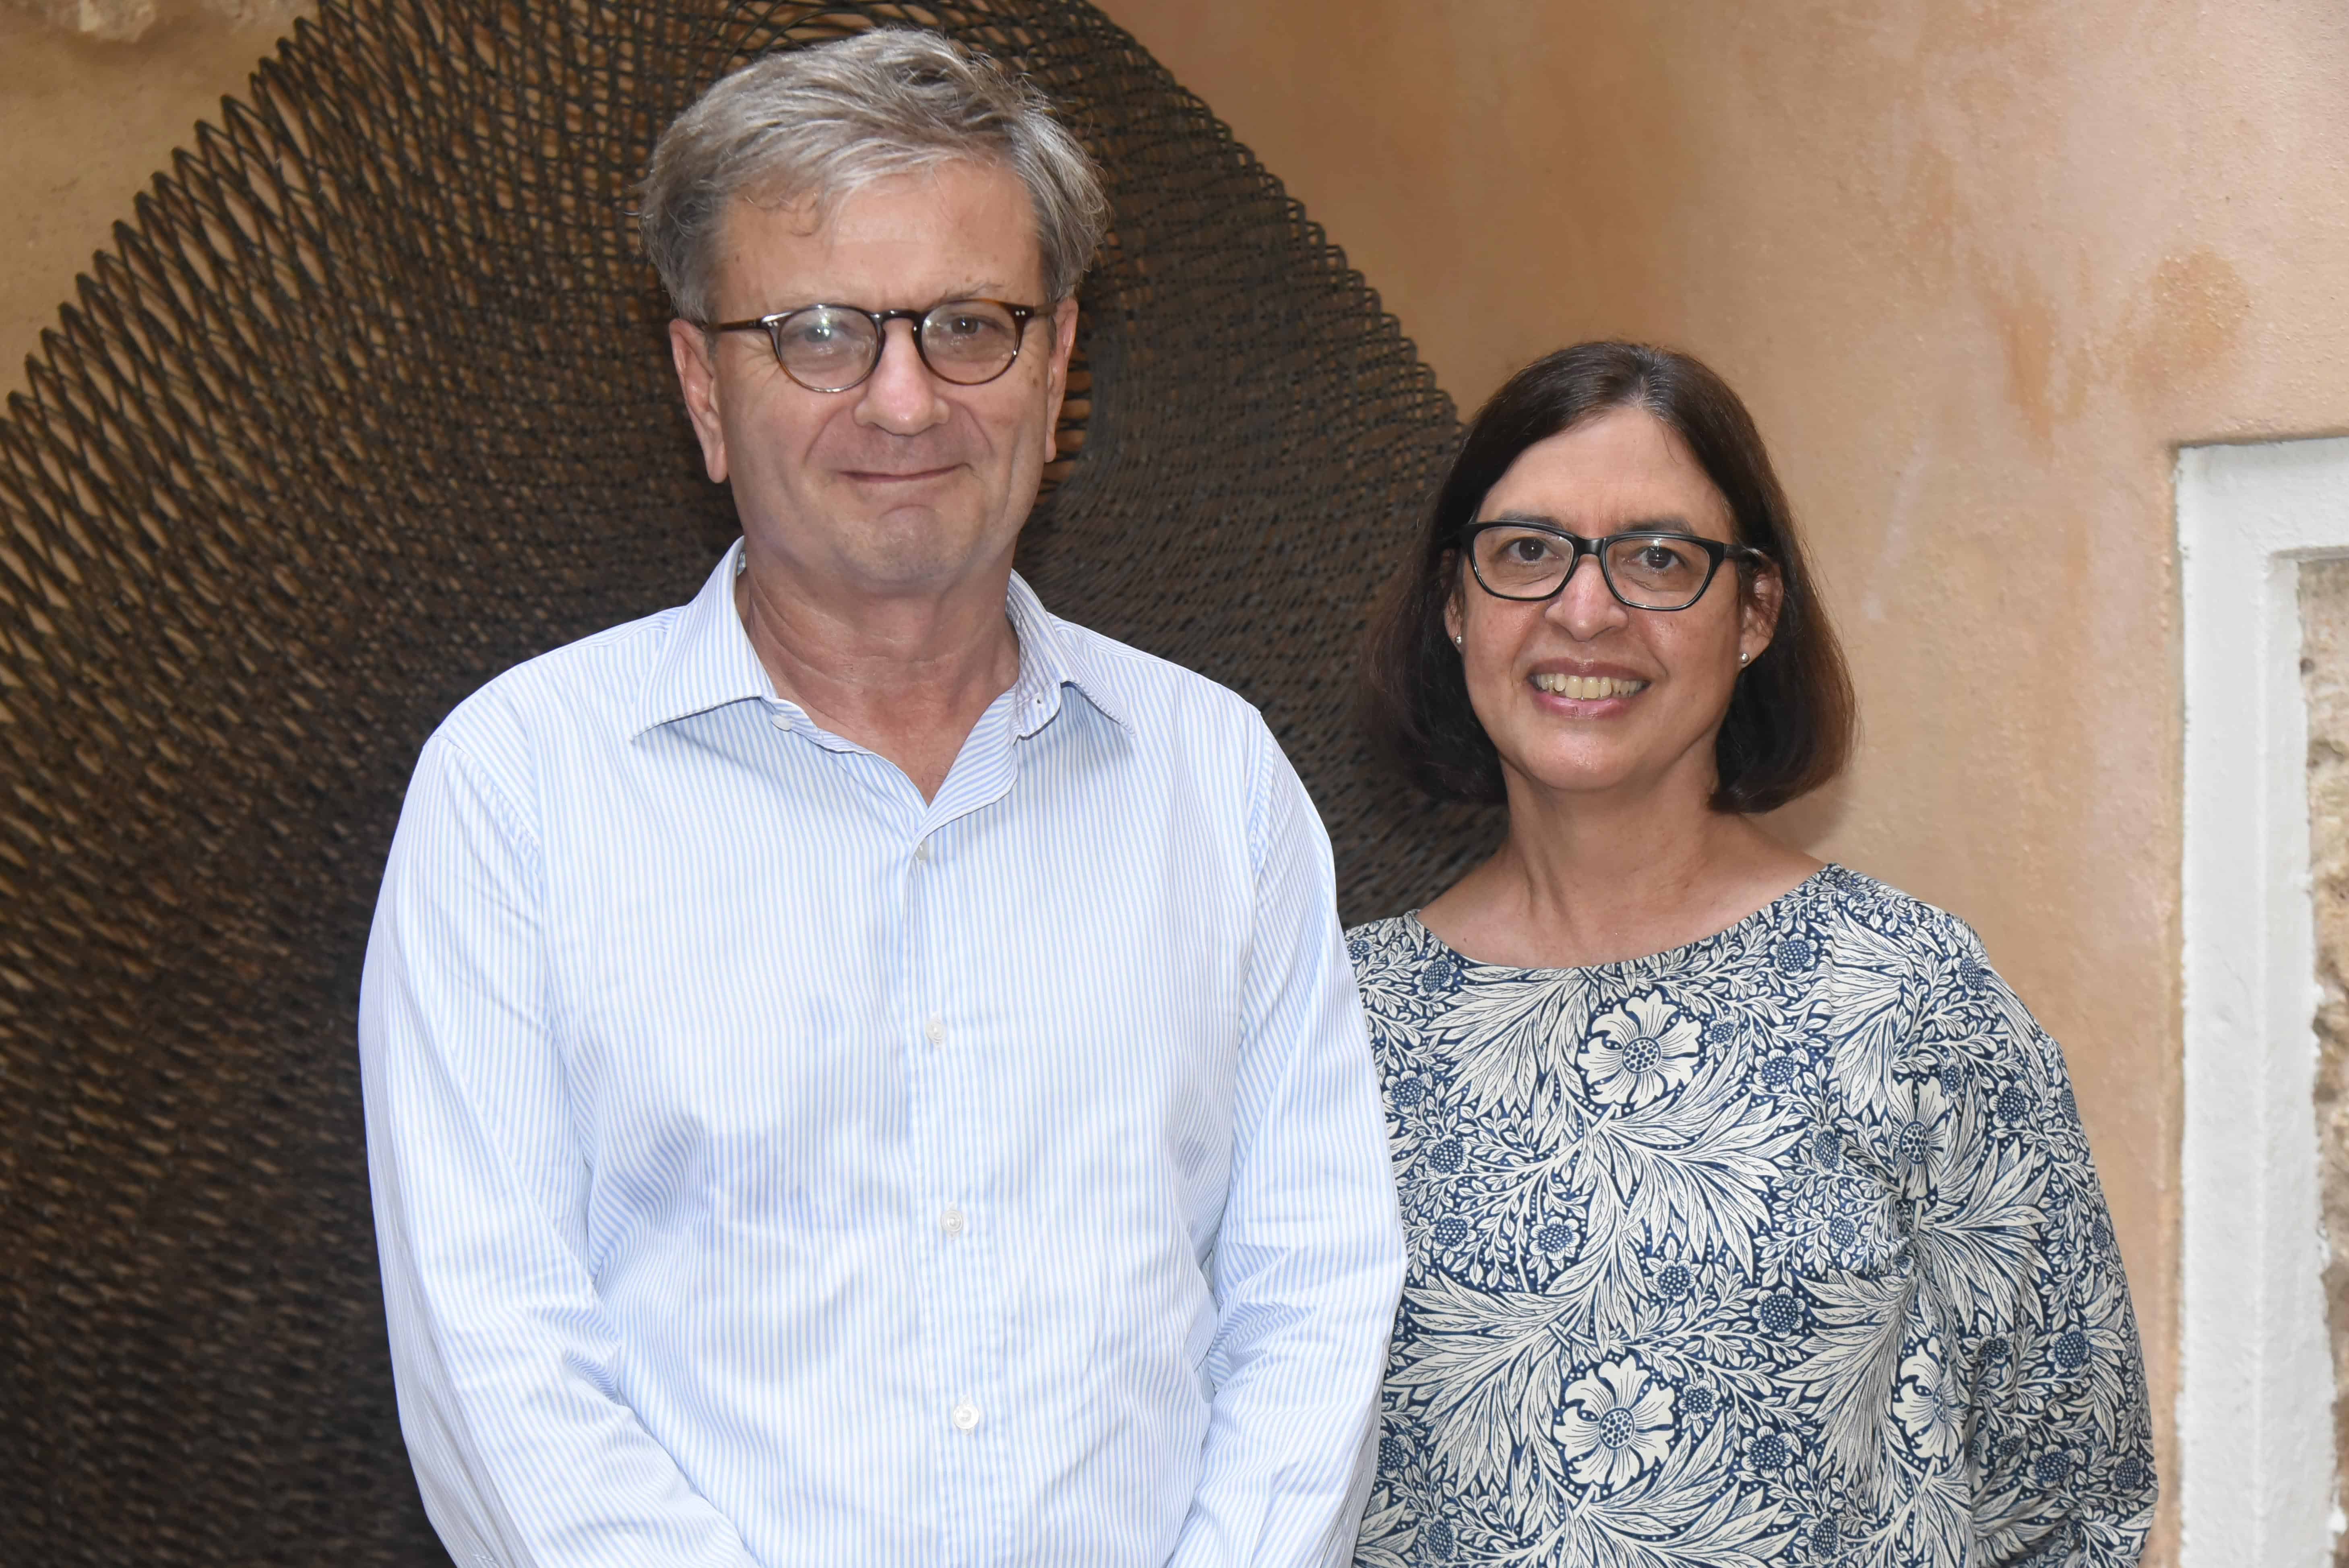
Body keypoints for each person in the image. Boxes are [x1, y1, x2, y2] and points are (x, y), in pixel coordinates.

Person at [357, 29, 1403, 1568]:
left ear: (1056, 369)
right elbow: (498, 1360)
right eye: (821, 334)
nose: (904, 404)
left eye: (969, 325)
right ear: (701, 388)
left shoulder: (1215, 777)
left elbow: (1311, 1295)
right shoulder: (516, 788)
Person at [1348, 342, 2154, 1567]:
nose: (1585, 610)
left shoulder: (1900, 993)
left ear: (1754, 613)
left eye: (1658, 559)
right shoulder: (1339, 1022)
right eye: (1526, 552)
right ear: (1454, 604)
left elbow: (2069, 1492)